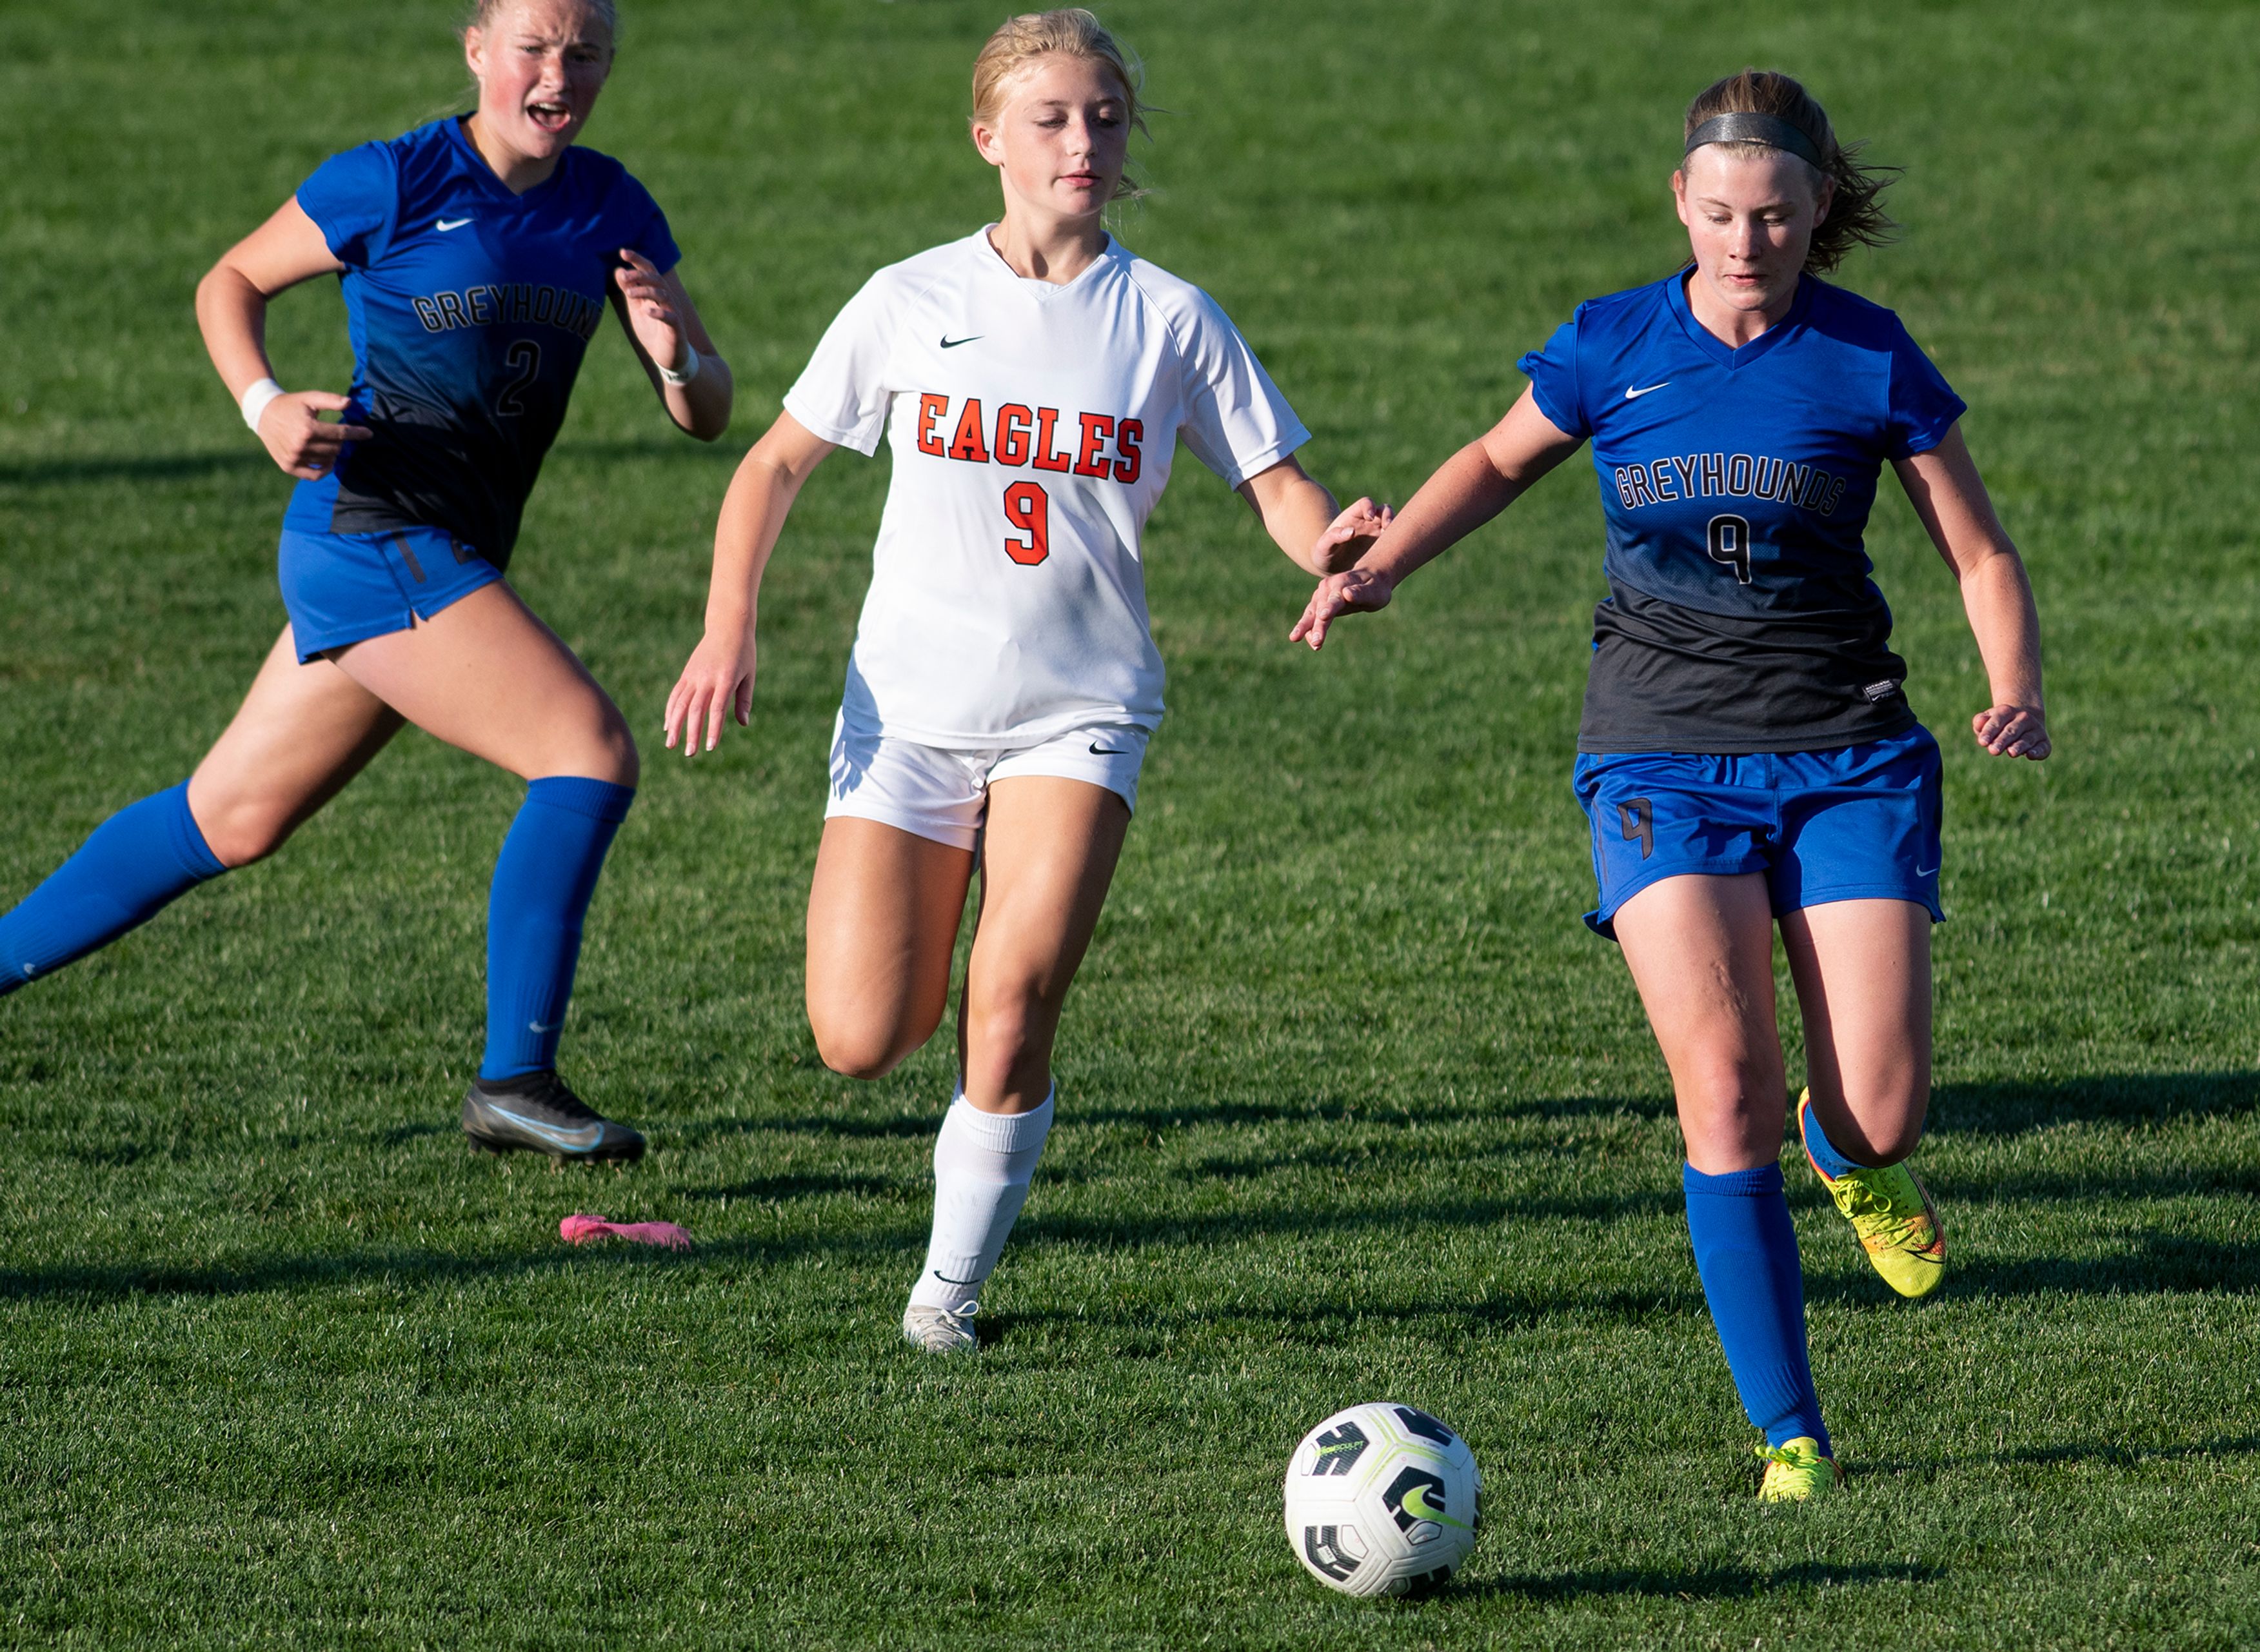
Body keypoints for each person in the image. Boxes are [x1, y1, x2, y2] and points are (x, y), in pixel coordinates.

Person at [1293, 70, 2049, 1500]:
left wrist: (2012, 686)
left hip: (1847, 755)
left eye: (1773, 216)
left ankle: (1857, 1155)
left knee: (1875, 1107)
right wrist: (1382, 567)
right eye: (1718, 215)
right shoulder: (1612, 343)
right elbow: (1498, 461)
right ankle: (1795, 1439)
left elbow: (1981, 550)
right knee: (1725, 1096)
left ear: (1820, 209)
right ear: (1679, 204)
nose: (1745, 243)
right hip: (1656, 756)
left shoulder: (1868, 356)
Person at [664, 8, 1387, 1353]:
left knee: (1014, 999)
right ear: (989, 136)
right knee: (862, 1037)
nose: (1084, 142)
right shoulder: (908, 300)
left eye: (1105, 118)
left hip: (1082, 709)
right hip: (910, 715)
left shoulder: (1170, 318)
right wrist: (728, 629)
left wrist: (1332, 544)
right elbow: (770, 467)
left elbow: (1279, 487)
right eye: (1052, 118)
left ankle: (947, 1297)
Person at [0, 0, 731, 1164]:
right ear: (478, 50)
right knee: (586, 751)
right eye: (535, 46)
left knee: (226, 816)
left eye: (585, 51)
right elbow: (229, 280)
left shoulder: (612, 204)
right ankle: (515, 1078)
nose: (561, 72)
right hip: (368, 533)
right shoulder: (394, 177)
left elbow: (707, 412)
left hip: (443, 550)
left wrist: (679, 354)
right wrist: (264, 404)